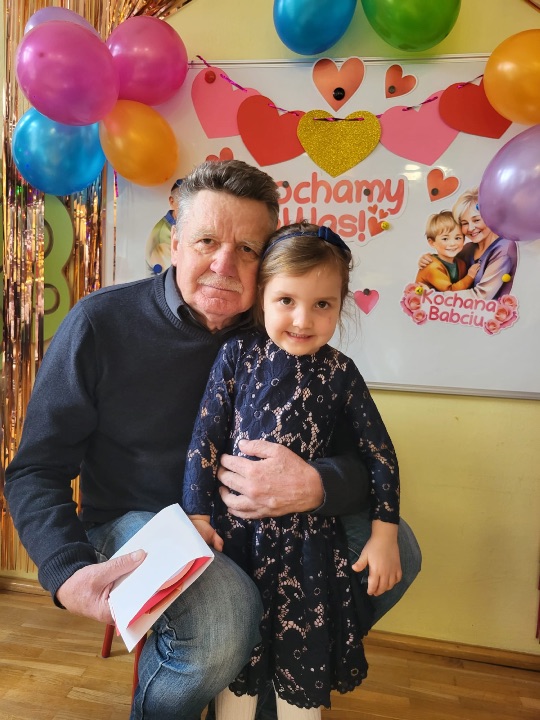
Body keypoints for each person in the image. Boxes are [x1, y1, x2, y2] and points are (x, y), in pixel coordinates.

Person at [4, 160, 421, 720]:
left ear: (268, 263)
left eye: (247, 249)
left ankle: (279, 673)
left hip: (263, 520)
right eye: (206, 241)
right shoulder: (99, 323)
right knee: (225, 616)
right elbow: (34, 470)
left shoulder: (286, 328)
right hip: (136, 516)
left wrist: (317, 485)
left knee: (400, 551)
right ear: (175, 242)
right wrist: (68, 572)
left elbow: (359, 456)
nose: (224, 265)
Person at [184, 222, 401, 719]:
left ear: (341, 305)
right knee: (236, 677)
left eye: (322, 304)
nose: (303, 319)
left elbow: (380, 455)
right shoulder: (236, 356)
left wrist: (384, 532)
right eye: (286, 300)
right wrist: (197, 516)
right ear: (262, 295)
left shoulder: (341, 373)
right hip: (236, 544)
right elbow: (204, 440)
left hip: (308, 552)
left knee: (299, 680)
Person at [418, 188, 518, 300]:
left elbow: (481, 296)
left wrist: (432, 297)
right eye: (464, 223)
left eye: (476, 220)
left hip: (485, 310)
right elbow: (446, 267)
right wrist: (429, 259)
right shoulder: (467, 249)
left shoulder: (504, 249)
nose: (470, 228)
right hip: (453, 310)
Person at [416, 210, 480, 291]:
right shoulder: (432, 266)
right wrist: (470, 276)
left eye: (457, 238)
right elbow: (449, 291)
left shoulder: (461, 264)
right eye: (445, 239)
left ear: (464, 240)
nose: (452, 243)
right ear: (432, 243)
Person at [144, 178, 182, 275]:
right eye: (183, 202)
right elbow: (174, 276)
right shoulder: (163, 236)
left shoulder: (181, 225)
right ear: (172, 201)